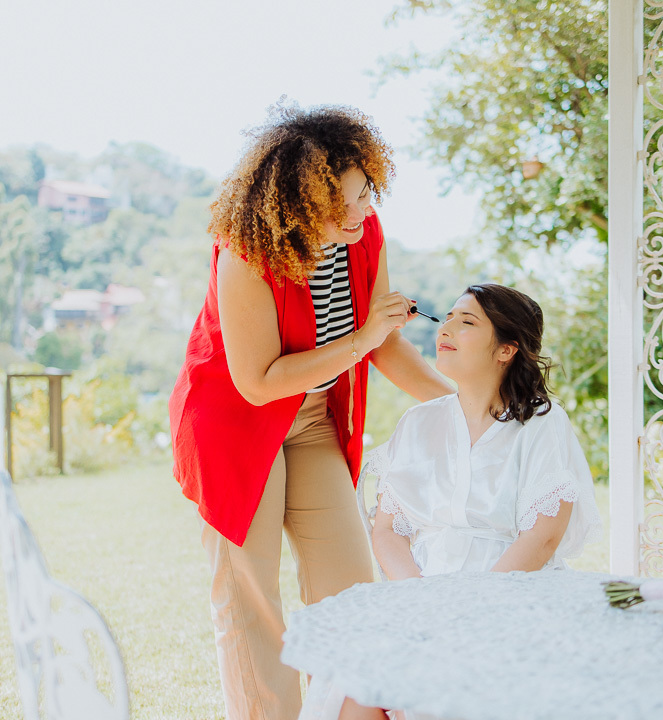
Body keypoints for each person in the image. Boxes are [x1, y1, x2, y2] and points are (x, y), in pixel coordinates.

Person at [168, 102, 454, 720]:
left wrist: (467, 405)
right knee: (252, 601)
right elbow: (259, 382)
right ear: (297, 204)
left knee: (350, 590)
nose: (359, 214)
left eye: (363, 195)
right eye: (342, 204)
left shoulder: (365, 234)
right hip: (237, 426)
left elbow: (386, 346)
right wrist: (359, 340)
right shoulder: (246, 251)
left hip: (314, 419)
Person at [303, 283, 602, 720]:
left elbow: (542, 537)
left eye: (468, 322)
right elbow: (388, 530)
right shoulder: (418, 422)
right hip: (421, 591)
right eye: (447, 318)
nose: (447, 328)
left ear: (506, 350)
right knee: (356, 690)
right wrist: (421, 598)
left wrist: (469, 609)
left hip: (507, 595)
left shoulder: (542, 423)